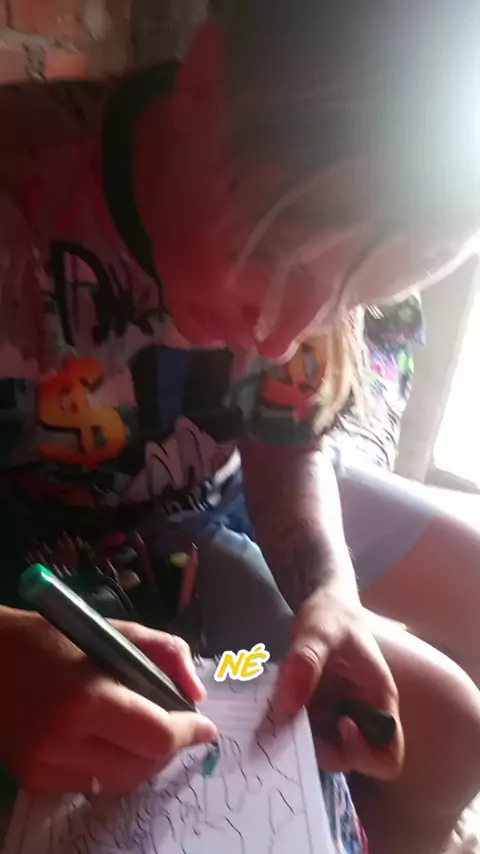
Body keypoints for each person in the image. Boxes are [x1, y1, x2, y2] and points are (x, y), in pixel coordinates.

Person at [0, 2, 479, 853]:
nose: (283, 337)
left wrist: (327, 592)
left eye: (353, 299)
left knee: (451, 731)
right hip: (53, 550)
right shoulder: (22, 197)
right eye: (273, 257)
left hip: (211, 502)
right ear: (204, 83)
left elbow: (287, 443)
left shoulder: (309, 223)